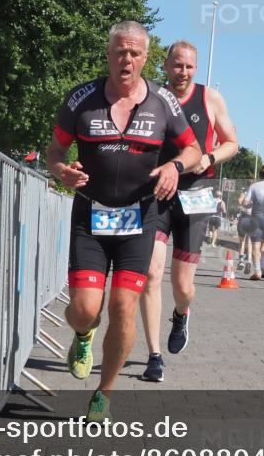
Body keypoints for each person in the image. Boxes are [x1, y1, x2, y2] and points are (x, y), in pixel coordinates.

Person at [46, 22, 201, 419]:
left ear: (146, 58)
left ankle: (104, 393)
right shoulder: (82, 99)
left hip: (139, 219)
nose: (126, 60)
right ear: (108, 54)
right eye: (119, 52)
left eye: (134, 53)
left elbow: (194, 150)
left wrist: (174, 167)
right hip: (91, 216)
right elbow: (54, 152)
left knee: (124, 307)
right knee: (85, 309)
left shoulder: (163, 101)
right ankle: (83, 333)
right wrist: (61, 171)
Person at [139, 41, 238, 383]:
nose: (183, 72)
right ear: (166, 65)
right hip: (158, 192)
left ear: (195, 68)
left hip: (197, 192)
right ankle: (154, 356)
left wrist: (209, 157)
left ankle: (181, 313)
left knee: (183, 285)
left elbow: (232, 143)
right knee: (151, 273)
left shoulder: (210, 98)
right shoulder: (152, 97)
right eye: (177, 65)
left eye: (189, 67)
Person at [236, 188, 253, 274]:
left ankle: (241, 261)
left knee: (241, 241)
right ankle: (249, 261)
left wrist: (243, 203)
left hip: (244, 218)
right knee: (249, 242)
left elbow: (239, 202)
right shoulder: (257, 195)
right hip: (253, 219)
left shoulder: (244, 193)